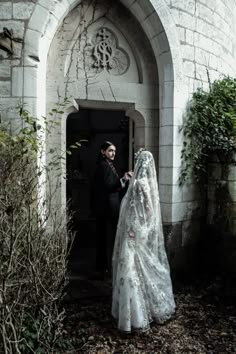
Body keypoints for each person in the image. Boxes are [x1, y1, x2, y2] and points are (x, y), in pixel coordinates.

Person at [112, 149, 175, 332]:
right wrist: (145, 228)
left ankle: (133, 316)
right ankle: (137, 311)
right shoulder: (146, 182)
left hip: (133, 231)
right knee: (135, 267)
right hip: (137, 229)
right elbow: (150, 211)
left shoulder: (139, 183)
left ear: (140, 163)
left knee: (129, 268)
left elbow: (146, 209)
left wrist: (137, 228)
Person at [93, 141, 132, 276]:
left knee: (105, 238)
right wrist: (124, 179)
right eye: (110, 150)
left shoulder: (107, 165)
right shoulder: (104, 166)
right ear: (103, 152)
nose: (113, 153)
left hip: (107, 207)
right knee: (106, 238)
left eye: (114, 151)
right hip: (107, 208)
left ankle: (104, 267)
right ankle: (105, 268)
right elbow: (109, 186)